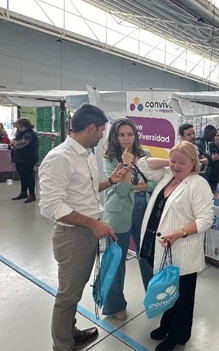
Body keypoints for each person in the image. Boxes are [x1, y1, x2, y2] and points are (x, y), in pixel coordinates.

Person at [39, 104, 127, 351]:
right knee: (68, 296)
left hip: (87, 233)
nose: (102, 135)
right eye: (101, 130)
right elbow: (51, 206)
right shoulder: (60, 158)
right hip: (73, 236)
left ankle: (71, 333)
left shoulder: (85, 154)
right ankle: (63, 345)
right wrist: (92, 223)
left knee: (75, 291)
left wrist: (110, 181)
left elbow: (84, 192)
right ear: (91, 127)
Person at [136, 141, 214, 351]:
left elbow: (206, 219)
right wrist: (171, 159)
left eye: (182, 163)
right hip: (161, 246)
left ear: (194, 164)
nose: (176, 166)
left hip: (183, 249)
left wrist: (180, 233)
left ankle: (179, 335)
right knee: (169, 290)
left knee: (183, 294)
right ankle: (166, 325)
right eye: (173, 161)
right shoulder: (167, 176)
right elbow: (142, 165)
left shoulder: (197, 184)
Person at [101, 118, 158, 321]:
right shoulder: (110, 159)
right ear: (115, 137)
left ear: (136, 135)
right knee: (117, 261)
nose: (126, 138)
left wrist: (138, 186)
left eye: (130, 134)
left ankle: (154, 298)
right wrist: (125, 165)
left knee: (147, 258)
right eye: (121, 135)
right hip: (119, 214)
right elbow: (121, 189)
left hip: (145, 211)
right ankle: (115, 305)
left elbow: (154, 184)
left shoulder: (145, 155)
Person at [9, 117, 39, 203]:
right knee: (23, 176)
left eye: (18, 124)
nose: (17, 126)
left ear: (22, 124)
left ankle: (32, 194)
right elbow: (13, 144)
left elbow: (20, 145)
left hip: (27, 159)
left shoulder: (29, 134)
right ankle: (23, 192)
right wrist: (14, 143)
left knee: (28, 176)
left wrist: (14, 143)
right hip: (20, 158)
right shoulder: (21, 133)